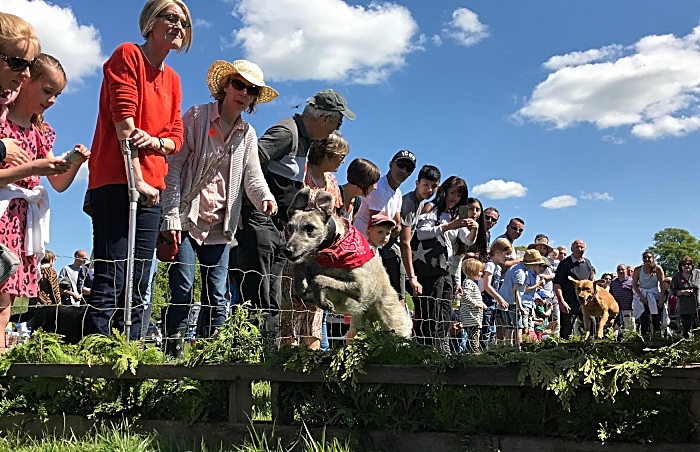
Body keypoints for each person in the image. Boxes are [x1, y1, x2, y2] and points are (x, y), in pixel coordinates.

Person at [84, 0, 192, 340]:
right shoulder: (127, 55)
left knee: (140, 279)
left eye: (184, 22)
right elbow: (124, 124)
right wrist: (138, 178)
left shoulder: (173, 80)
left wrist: (157, 145)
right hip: (118, 181)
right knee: (113, 275)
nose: (178, 26)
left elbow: (176, 136)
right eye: (171, 17)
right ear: (150, 21)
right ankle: (95, 361)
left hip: (152, 188)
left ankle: (130, 356)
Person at [159, 58, 277, 354]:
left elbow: (253, 177)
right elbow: (173, 168)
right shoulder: (196, 117)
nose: (243, 92)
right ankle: (170, 357)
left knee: (218, 296)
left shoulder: (247, 134)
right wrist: (171, 214)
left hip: (221, 226)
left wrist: (265, 197)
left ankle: (211, 359)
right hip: (187, 220)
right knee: (183, 290)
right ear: (225, 85)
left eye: (250, 90)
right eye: (238, 84)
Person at [236, 88, 354, 335]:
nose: (335, 130)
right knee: (258, 294)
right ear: (325, 118)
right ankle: (251, 356)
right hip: (259, 221)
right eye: (337, 122)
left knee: (272, 296)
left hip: (277, 226)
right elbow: (249, 161)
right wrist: (242, 206)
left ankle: (266, 356)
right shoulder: (287, 133)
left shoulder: (303, 139)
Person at [0, 54, 89, 352]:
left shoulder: (40, 134)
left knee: (5, 303)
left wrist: (73, 164)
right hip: (3, 214)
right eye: (46, 90)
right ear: (25, 81)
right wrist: (34, 169)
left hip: (22, 223)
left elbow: (59, 184)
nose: (51, 100)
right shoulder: (4, 124)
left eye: (57, 95)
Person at [414, 176, 475, 350]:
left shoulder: (456, 214)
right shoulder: (432, 208)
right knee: (431, 312)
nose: (455, 197)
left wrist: (474, 229)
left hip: (447, 268)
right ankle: (425, 350)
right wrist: (447, 226)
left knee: (445, 313)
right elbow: (421, 233)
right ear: (445, 190)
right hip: (431, 267)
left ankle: (440, 350)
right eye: (452, 192)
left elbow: (467, 240)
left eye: (459, 194)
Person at [354, 150, 416, 301]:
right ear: (391, 164)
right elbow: (379, 223)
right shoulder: (379, 187)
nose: (403, 171)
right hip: (360, 245)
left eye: (409, 169)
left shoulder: (398, 193)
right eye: (400, 165)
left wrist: (393, 227)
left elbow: (397, 226)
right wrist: (393, 227)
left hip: (373, 248)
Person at [399, 165, 441, 297]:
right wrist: (412, 277)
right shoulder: (408, 204)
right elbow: (404, 241)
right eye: (425, 184)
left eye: (433, 186)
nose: (429, 189)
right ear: (417, 183)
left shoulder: (421, 204)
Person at [0, 12, 35, 166]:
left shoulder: (9, 98)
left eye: (30, 65)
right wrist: (2, 149)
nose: (26, 74)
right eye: (17, 63)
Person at [498, 249, 549, 348]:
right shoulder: (521, 273)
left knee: (509, 326)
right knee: (519, 327)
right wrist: (520, 307)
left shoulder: (515, 267)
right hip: (513, 302)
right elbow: (515, 291)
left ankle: (508, 348)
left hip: (505, 301)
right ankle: (519, 348)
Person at [553, 239, 593, 339]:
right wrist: (561, 302)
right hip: (569, 303)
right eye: (577, 247)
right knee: (566, 331)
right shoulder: (565, 264)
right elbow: (557, 285)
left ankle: (590, 351)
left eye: (582, 247)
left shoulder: (587, 264)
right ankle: (564, 353)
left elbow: (591, 285)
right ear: (572, 249)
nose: (579, 249)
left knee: (592, 325)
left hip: (585, 304)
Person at [479, 238, 512, 347]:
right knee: (486, 328)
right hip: (486, 300)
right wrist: (499, 298)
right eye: (506, 254)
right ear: (497, 252)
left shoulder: (497, 267)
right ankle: (483, 351)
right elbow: (487, 285)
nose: (508, 257)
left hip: (493, 302)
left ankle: (490, 351)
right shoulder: (490, 265)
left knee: (492, 329)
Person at [527, 235, 557, 336]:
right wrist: (549, 276)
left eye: (545, 248)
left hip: (548, 295)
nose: (542, 250)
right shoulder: (533, 263)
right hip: (538, 296)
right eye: (540, 247)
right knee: (537, 320)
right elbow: (537, 275)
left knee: (547, 322)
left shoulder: (547, 263)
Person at [632, 251, 665, 335]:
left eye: (649, 257)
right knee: (644, 319)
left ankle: (657, 336)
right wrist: (641, 296)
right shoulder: (638, 270)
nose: (647, 259)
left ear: (653, 258)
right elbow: (635, 285)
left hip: (654, 295)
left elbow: (662, 283)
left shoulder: (657, 269)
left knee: (656, 319)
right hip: (643, 294)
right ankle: (645, 337)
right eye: (645, 257)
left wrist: (661, 298)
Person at [460, 258, 486, 353]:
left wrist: (481, 304)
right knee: (473, 339)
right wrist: (476, 304)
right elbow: (465, 297)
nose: (481, 273)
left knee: (474, 338)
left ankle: (472, 354)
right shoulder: (468, 283)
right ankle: (475, 355)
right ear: (473, 271)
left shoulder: (471, 283)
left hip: (474, 318)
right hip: (470, 319)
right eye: (480, 271)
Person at [670, 256, 700, 338]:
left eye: (688, 264)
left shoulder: (698, 273)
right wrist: (683, 292)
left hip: (697, 306)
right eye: (684, 264)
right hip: (684, 307)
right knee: (686, 331)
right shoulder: (677, 276)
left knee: (697, 330)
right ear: (681, 266)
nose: (686, 266)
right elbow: (672, 291)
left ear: (692, 265)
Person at [610, 263, 635, 332]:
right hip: (616, 310)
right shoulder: (613, 282)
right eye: (619, 270)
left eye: (622, 269)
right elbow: (610, 295)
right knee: (615, 330)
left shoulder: (632, 281)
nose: (620, 271)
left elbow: (635, 295)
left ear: (626, 271)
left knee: (630, 331)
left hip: (628, 309)